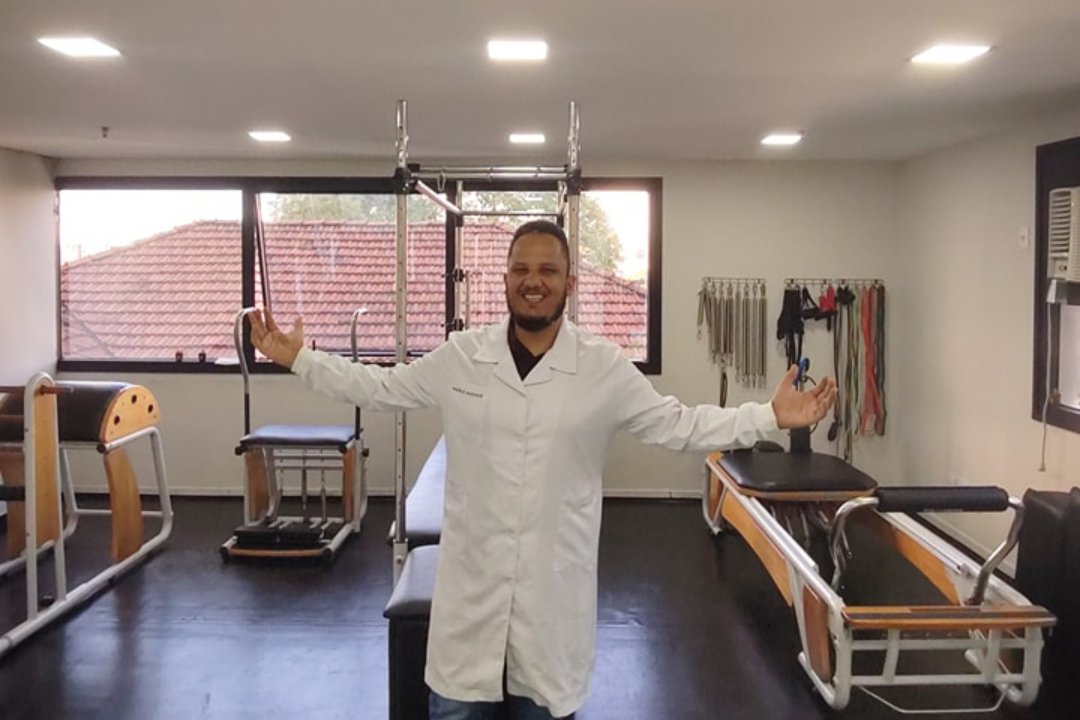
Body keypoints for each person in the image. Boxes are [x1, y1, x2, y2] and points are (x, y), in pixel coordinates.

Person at [249, 220, 837, 720]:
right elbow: (379, 387)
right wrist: (300, 359)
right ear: (505, 279)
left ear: (569, 283)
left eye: (548, 271)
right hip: (469, 602)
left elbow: (678, 424)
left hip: (552, 604)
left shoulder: (602, 367)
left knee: (543, 703)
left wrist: (768, 417)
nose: (534, 281)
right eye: (521, 270)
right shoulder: (463, 358)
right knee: (456, 707)